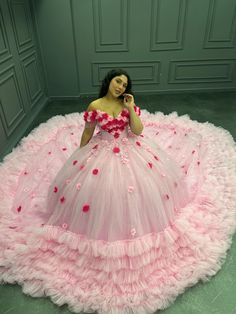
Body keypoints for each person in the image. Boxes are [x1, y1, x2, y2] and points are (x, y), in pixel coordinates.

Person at [0, 69, 235, 314]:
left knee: (140, 190)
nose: (120, 86)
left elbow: (138, 130)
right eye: (117, 81)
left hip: (131, 149)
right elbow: (88, 133)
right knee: (99, 194)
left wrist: (131, 108)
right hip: (101, 151)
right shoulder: (96, 104)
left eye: (124, 84)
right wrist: (77, 158)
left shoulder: (126, 104)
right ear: (109, 82)